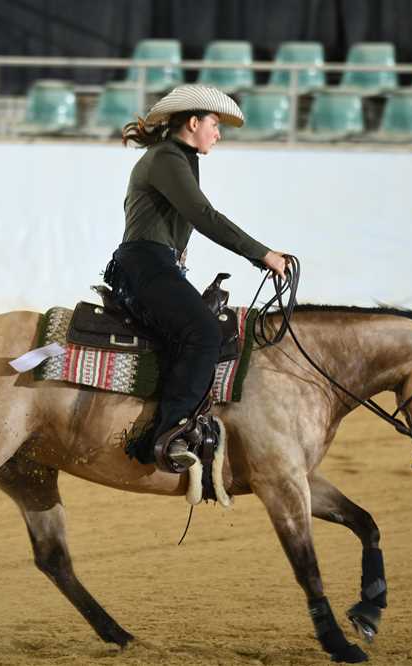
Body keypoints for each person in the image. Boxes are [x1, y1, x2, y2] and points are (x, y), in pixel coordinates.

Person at [105, 84, 289, 470]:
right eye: (214, 125)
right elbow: (204, 216)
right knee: (204, 333)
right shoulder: (168, 158)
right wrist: (262, 254)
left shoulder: (178, 158)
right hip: (145, 264)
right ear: (193, 123)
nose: (218, 134)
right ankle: (169, 434)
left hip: (153, 263)